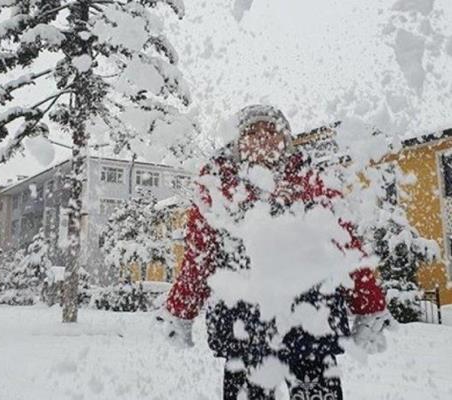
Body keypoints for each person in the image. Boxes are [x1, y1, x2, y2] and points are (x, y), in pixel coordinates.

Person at [157, 105, 393, 400]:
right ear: (237, 142)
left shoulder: (313, 180)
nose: (262, 139)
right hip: (242, 325)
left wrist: (369, 305)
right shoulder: (217, 186)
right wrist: (181, 311)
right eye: (252, 132)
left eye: (271, 131)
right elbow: (199, 257)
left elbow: (345, 244)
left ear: (286, 141)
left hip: (311, 322)